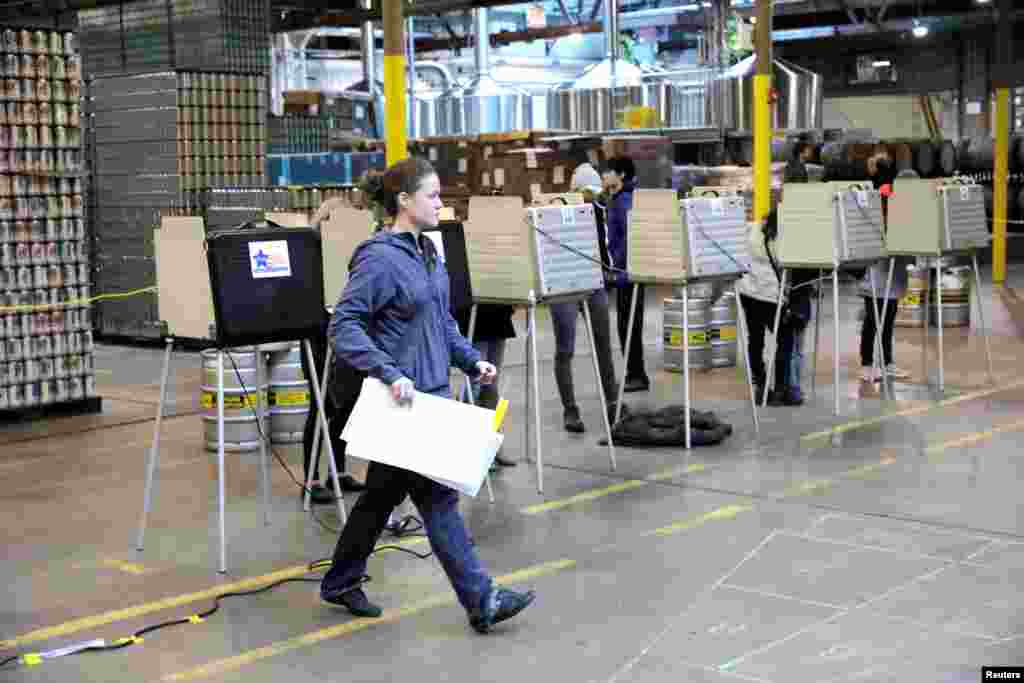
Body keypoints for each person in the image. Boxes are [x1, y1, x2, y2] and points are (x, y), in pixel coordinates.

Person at [320, 157, 535, 634]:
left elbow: (441, 322)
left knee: (381, 495)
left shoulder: (428, 253)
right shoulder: (379, 257)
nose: (441, 202)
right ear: (403, 201)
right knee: (438, 500)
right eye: (433, 195)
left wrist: (469, 359)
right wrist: (389, 371)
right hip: (402, 401)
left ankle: (340, 579)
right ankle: (483, 600)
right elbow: (345, 325)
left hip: (430, 394)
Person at [546, 163, 626, 433]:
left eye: (595, 192)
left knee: (604, 345)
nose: (591, 197)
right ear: (574, 190)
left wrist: (610, 271)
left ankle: (613, 402)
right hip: (563, 286)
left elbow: (605, 248)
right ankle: (570, 410)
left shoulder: (599, 210)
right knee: (565, 349)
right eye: (587, 192)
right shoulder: (554, 214)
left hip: (594, 282)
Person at [300, 198, 369, 503]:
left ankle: (337, 472)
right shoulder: (309, 256)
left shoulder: (353, 255)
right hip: (316, 335)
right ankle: (311, 479)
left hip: (347, 334)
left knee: (347, 405)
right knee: (321, 406)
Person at [859, 164, 915, 382]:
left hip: (894, 272)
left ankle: (888, 363)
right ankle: (866, 365)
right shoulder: (884, 197)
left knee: (888, 321)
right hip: (876, 271)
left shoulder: (911, 207)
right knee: (873, 321)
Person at [737, 209, 797, 404]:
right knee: (785, 339)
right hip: (770, 297)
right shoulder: (783, 239)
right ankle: (781, 387)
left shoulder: (752, 229)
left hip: (747, 292)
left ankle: (760, 384)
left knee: (755, 338)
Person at [604, 156, 649, 393]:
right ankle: (634, 373)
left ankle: (637, 374)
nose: (604, 176)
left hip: (628, 273)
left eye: (608, 171)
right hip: (623, 272)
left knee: (629, 324)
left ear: (621, 174)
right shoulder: (618, 198)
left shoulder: (625, 201)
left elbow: (630, 238)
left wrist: (615, 266)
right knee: (626, 323)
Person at [456, 303, 518, 467]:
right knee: (473, 388)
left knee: (491, 386)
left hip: (498, 314)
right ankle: (472, 449)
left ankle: (493, 446)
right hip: (475, 315)